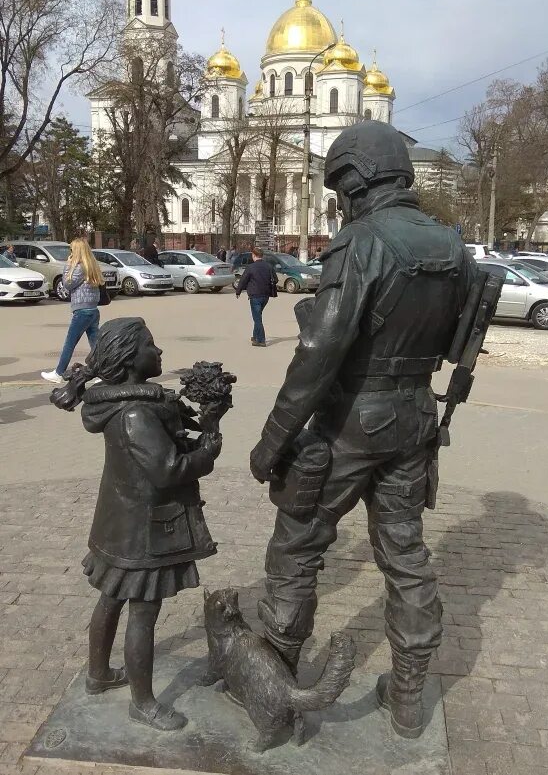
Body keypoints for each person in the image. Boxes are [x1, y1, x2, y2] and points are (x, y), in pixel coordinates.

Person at [250, 121, 477, 739]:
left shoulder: (361, 242)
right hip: (415, 420)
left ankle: (277, 691)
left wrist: (272, 440)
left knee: (296, 548)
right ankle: (407, 701)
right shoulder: (453, 247)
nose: (340, 201)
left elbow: (320, 352)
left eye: (340, 188)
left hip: (350, 422)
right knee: (406, 555)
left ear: (355, 178)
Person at [50, 317, 224, 731]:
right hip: (142, 530)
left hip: (117, 520)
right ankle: (143, 703)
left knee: (110, 596)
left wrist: (210, 418)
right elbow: (168, 470)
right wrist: (210, 450)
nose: (159, 352)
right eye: (152, 345)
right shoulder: (135, 415)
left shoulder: (118, 403)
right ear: (130, 358)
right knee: (142, 611)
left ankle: (98, 675)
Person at [41, 238, 104, 385]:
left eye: (71, 250)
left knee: (70, 343)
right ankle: (104, 374)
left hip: (82, 311)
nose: (70, 253)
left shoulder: (79, 267)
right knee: (96, 345)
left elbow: (67, 284)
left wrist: (67, 266)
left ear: (77, 251)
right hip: (93, 310)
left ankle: (58, 373)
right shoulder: (91, 265)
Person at [235, 247, 277, 348]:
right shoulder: (269, 266)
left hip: (255, 296)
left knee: (257, 318)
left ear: (254, 255)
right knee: (258, 316)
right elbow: (275, 279)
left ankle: (261, 340)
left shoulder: (251, 267)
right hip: (266, 295)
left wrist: (238, 291)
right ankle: (255, 336)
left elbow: (243, 280)